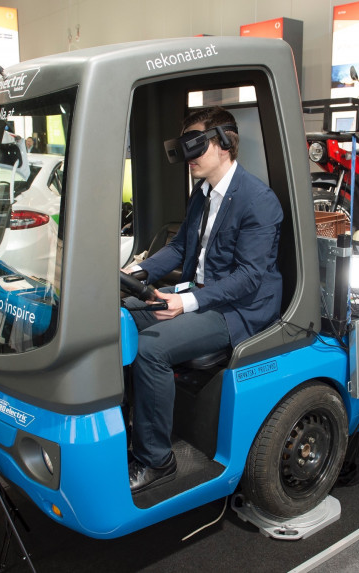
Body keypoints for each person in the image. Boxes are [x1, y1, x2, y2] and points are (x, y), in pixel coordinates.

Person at [123, 107, 283, 493]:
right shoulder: (203, 193)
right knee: (119, 323)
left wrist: (186, 303)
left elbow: (248, 278)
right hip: (199, 296)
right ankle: (136, 425)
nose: (189, 156)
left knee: (149, 350)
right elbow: (180, 248)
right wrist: (136, 275)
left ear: (225, 144)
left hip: (239, 310)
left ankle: (157, 461)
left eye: (196, 144)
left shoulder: (258, 200)